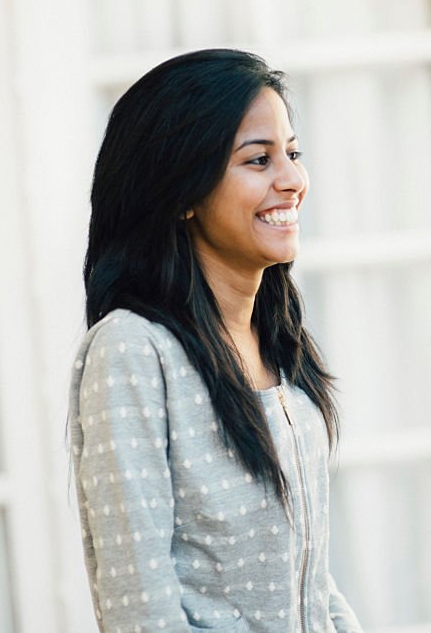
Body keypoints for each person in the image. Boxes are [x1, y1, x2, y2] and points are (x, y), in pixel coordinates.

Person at [69, 49, 362, 632]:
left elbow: (310, 577)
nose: (293, 181)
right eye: (258, 160)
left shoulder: (278, 342)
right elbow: (139, 606)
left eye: (293, 153)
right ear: (182, 192)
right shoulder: (134, 350)